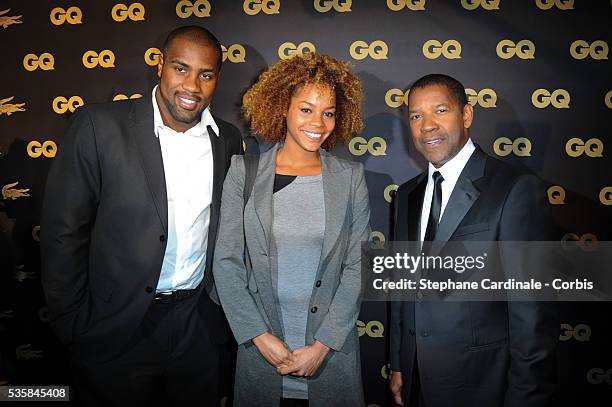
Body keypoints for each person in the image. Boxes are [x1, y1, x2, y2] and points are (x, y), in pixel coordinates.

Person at [40, 26, 242, 406]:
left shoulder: (227, 139)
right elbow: (63, 232)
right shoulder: (100, 126)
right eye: (181, 69)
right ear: (160, 65)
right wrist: (72, 322)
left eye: (206, 74)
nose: (192, 86)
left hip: (196, 326)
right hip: (117, 326)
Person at [389, 74, 558, 407]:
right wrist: (398, 363)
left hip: (483, 386)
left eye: (440, 111)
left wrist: (526, 397)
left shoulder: (515, 189)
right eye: (416, 116)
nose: (427, 126)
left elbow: (533, 312)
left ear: (466, 115)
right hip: (416, 381)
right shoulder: (407, 194)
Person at [212, 53, 370, 407]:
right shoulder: (244, 172)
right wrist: (258, 336)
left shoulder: (350, 179)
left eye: (328, 112)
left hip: (330, 358)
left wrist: (321, 346)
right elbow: (226, 261)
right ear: (283, 107)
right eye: (306, 109)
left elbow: (358, 266)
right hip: (261, 355)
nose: (319, 122)